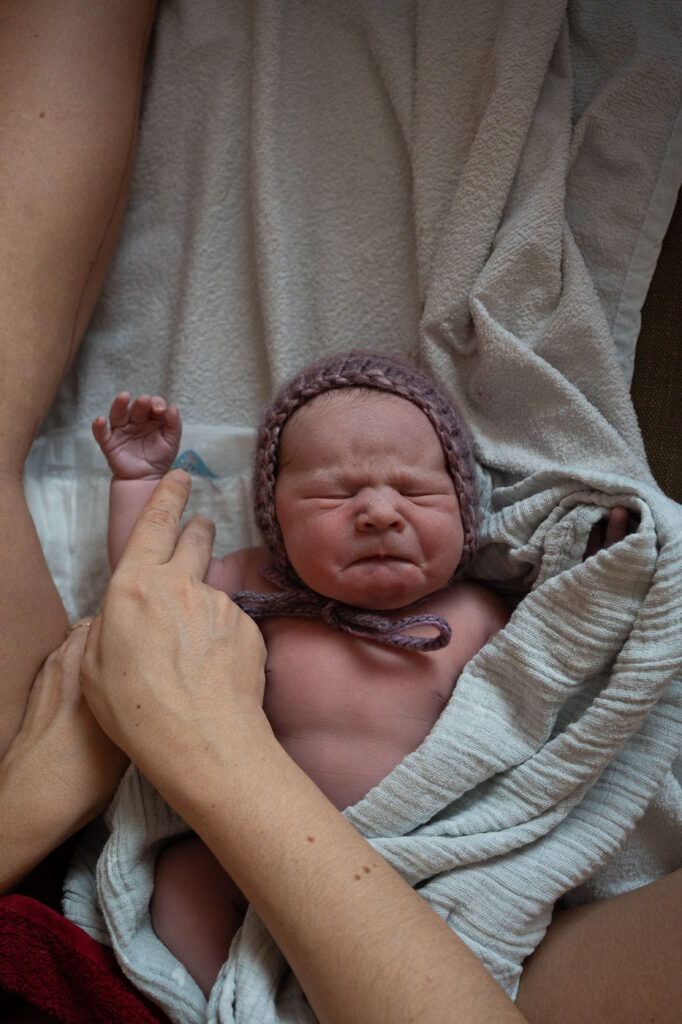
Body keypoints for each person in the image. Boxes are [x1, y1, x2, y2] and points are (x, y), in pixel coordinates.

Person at [91, 352, 511, 996]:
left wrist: (601, 569)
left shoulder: (476, 613)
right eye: (333, 495)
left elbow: (557, 684)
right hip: (256, 857)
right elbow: (145, 602)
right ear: (276, 519)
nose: (378, 512)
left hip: (420, 865)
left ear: (465, 508)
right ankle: (227, 1006)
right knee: (183, 879)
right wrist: (139, 483)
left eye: (416, 491)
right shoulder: (251, 585)